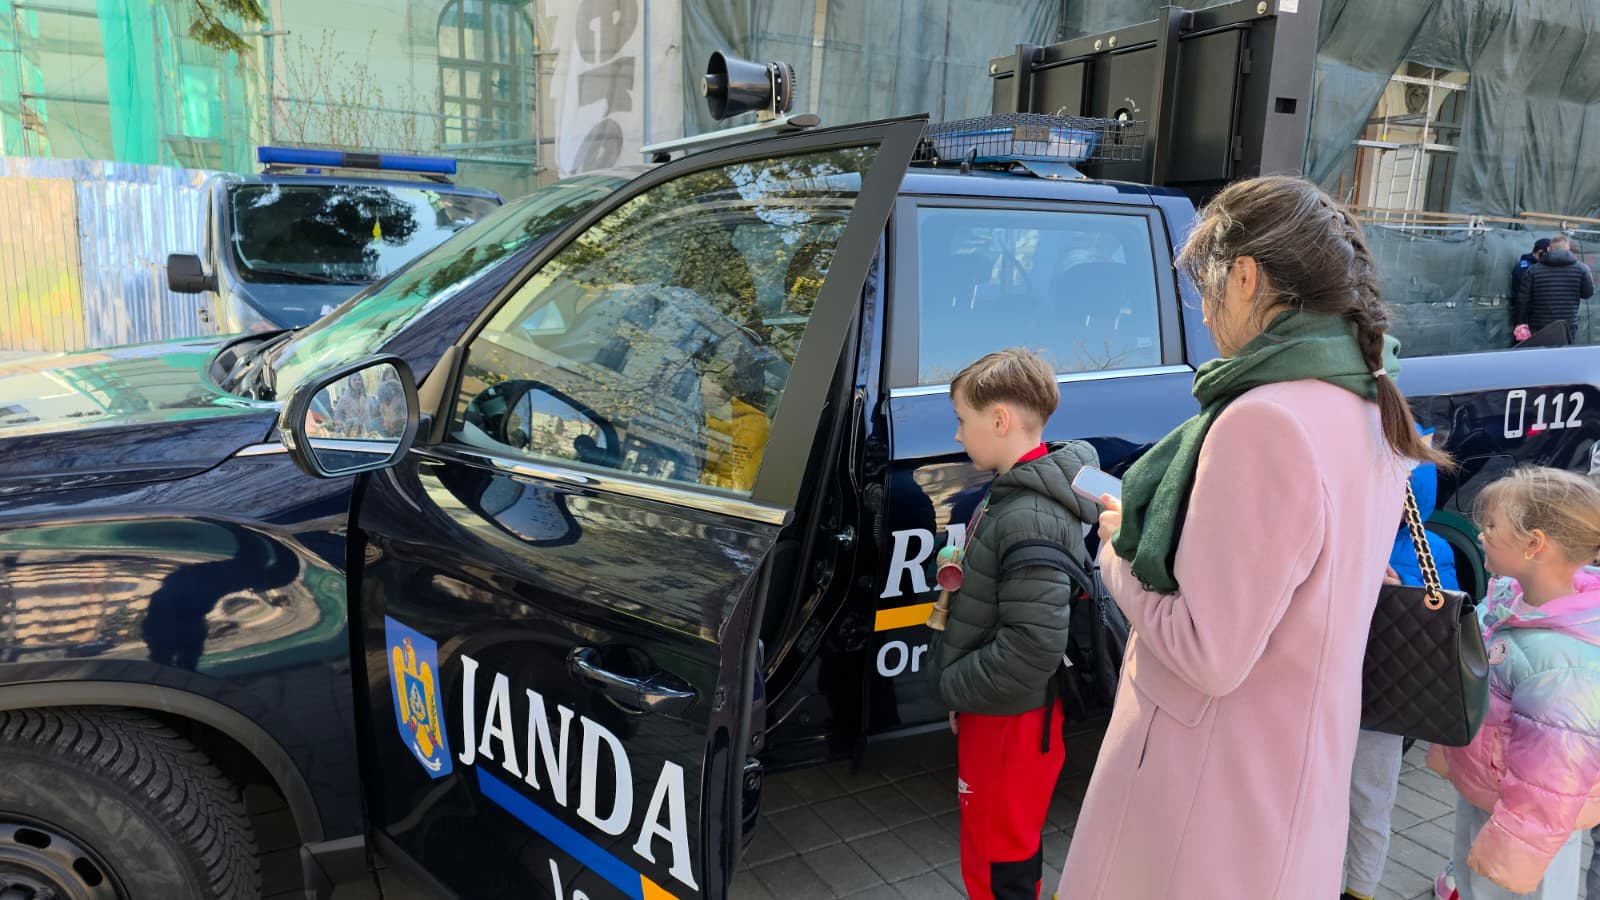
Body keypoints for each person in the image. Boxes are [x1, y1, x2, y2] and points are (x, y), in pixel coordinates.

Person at [1055, 175, 1445, 899]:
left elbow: (1207, 652)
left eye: (1205, 289)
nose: (1204, 314)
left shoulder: (1264, 421)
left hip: (1207, 790)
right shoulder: (1368, 402)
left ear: (1244, 276)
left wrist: (1115, 552)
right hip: (1289, 775)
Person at [928, 347, 1099, 900]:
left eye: (963, 419)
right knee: (991, 845)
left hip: (1010, 722)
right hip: (999, 710)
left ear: (999, 419)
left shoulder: (1029, 515)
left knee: (1001, 861)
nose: (957, 434)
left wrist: (955, 686)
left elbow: (1031, 646)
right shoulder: (1016, 494)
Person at [1428, 467, 1600, 900]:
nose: (1480, 534)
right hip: (1492, 793)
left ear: (1534, 544)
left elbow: (1551, 783)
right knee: (1473, 882)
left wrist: (1510, 857)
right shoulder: (1510, 601)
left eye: (1490, 526)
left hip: (1525, 830)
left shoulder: (1564, 663)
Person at [1342, 429, 1460, 900]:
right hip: (1328, 696)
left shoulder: (1430, 549)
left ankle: (1361, 889)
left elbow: (1446, 613)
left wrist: (1399, 589)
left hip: (1383, 707)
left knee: (1370, 805)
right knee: (1318, 800)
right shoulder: (1340, 534)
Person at [1514, 235, 1594, 345]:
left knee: (1540, 354)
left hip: (1539, 325)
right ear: (1568, 249)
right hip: (1567, 325)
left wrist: (1521, 323)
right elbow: (1587, 294)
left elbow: (1522, 300)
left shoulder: (1533, 270)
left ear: (1548, 249)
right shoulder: (1582, 269)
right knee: (1564, 354)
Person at [1511, 238, 1551, 306]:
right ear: (1540, 252)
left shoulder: (1536, 266)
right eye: (1549, 254)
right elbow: (1523, 292)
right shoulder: (1525, 267)